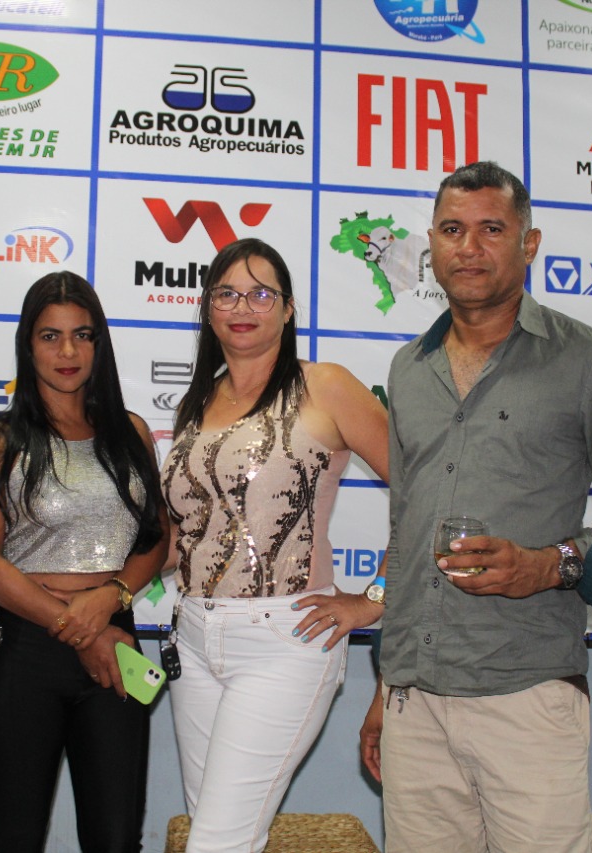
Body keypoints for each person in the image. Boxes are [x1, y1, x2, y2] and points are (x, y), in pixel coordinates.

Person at [368, 161, 592, 852]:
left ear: (529, 243)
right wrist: (385, 682)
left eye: (491, 229)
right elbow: (406, 529)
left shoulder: (589, 359)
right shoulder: (407, 368)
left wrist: (551, 564)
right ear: (432, 243)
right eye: (452, 229)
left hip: (527, 691)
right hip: (414, 699)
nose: (469, 247)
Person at [160, 237, 389, 853]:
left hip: (285, 641)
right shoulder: (198, 401)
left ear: (288, 309)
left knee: (217, 842)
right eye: (227, 293)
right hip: (193, 639)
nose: (243, 307)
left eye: (261, 294)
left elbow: (429, 490)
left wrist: (376, 599)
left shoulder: (325, 385)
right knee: (216, 830)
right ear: (208, 308)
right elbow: (182, 534)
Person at [0, 271, 168, 853]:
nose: (68, 352)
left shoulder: (130, 432)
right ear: (28, 345)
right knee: (18, 838)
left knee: (117, 839)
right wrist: (79, 628)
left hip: (116, 638)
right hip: (24, 649)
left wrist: (111, 600)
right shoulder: (2, 439)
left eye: (82, 335)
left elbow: (156, 539)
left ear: (100, 343)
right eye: (50, 336)